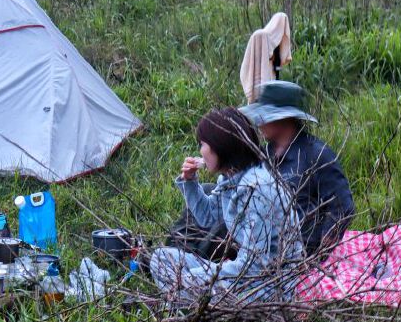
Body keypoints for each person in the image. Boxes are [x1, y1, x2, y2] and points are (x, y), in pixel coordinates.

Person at [150, 108, 303, 302]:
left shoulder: (257, 189)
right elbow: (208, 217)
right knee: (161, 259)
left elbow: (255, 265)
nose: (200, 151)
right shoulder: (232, 178)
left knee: (187, 282)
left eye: (203, 144)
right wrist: (189, 182)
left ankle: (193, 309)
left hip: (268, 287)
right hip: (245, 277)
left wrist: (201, 276)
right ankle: (191, 304)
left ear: (220, 146)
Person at [239, 81, 354, 258]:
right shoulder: (264, 154)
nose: (259, 123)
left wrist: (319, 252)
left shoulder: (317, 155)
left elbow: (342, 206)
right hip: (264, 245)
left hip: (300, 253)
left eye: (265, 116)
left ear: (283, 118)